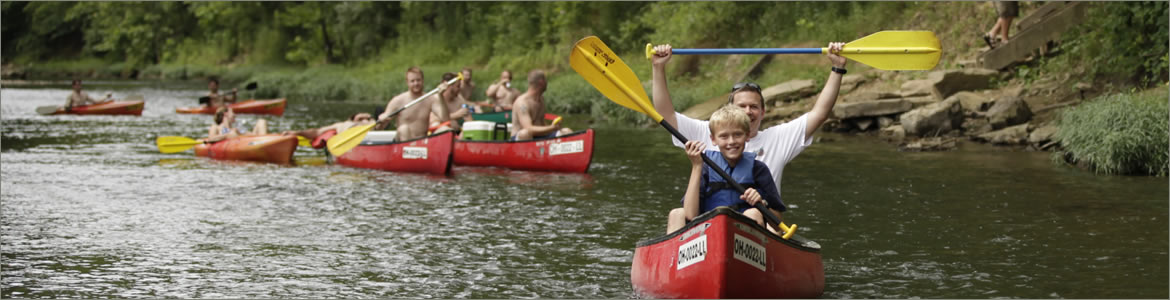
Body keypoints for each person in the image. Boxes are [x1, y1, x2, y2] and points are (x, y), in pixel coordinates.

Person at [649, 41, 845, 202]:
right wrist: (658, 67)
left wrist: (837, 67)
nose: (747, 111)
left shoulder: (778, 137)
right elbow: (666, 116)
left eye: (753, 107)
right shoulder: (706, 131)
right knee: (676, 215)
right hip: (712, 219)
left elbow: (819, 114)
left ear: (763, 112)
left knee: (755, 217)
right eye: (741, 106)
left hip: (758, 221)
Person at [667, 105, 786, 234]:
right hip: (707, 234)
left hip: (744, 242)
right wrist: (696, 166)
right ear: (713, 139)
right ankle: (672, 254)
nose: (731, 141)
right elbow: (690, 215)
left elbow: (778, 225)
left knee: (753, 213)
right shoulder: (705, 167)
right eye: (724, 136)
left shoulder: (759, 169)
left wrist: (762, 205)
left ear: (747, 136)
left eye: (738, 135)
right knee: (676, 214)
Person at [375, 66, 452, 141]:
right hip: (402, 142)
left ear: (423, 80)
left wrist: (441, 96)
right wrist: (381, 121)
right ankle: (409, 150)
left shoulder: (430, 99)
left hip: (422, 141)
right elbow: (379, 129)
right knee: (404, 129)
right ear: (407, 82)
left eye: (418, 80)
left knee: (445, 129)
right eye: (412, 81)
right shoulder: (398, 101)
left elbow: (445, 119)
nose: (416, 83)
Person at [510, 69, 573, 141]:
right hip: (521, 138)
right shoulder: (522, 103)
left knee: (566, 131)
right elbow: (528, 128)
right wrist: (552, 127)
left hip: (538, 137)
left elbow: (541, 123)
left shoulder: (541, 100)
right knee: (525, 133)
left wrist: (556, 127)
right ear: (541, 82)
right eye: (546, 80)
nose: (547, 82)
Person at [282, 112, 375, 147]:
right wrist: (295, 132)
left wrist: (371, 119)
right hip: (349, 137)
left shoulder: (373, 123)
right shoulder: (342, 125)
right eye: (361, 117)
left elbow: (378, 125)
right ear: (352, 118)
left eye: (367, 117)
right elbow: (317, 132)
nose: (365, 118)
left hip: (368, 136)